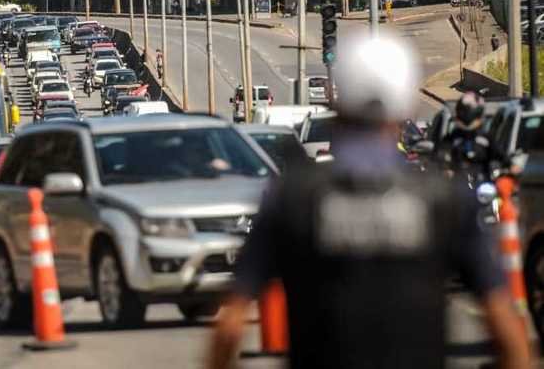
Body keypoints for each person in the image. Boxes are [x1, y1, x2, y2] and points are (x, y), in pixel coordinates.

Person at [207, 37, 529, 369]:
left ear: (338, 100)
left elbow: (231, 324)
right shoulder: (442, 199)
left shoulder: (293, 196)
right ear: (406, 105)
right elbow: (503, 322)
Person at [437, 91, 502, 184]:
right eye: (464, 112)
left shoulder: (486, 139)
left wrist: (511, 167)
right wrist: (445, 169)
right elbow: (439, 156)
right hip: (456, 186)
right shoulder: (452, 138)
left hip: (483, 185)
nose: (468, 117)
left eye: (471, 113)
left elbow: (500, 157)